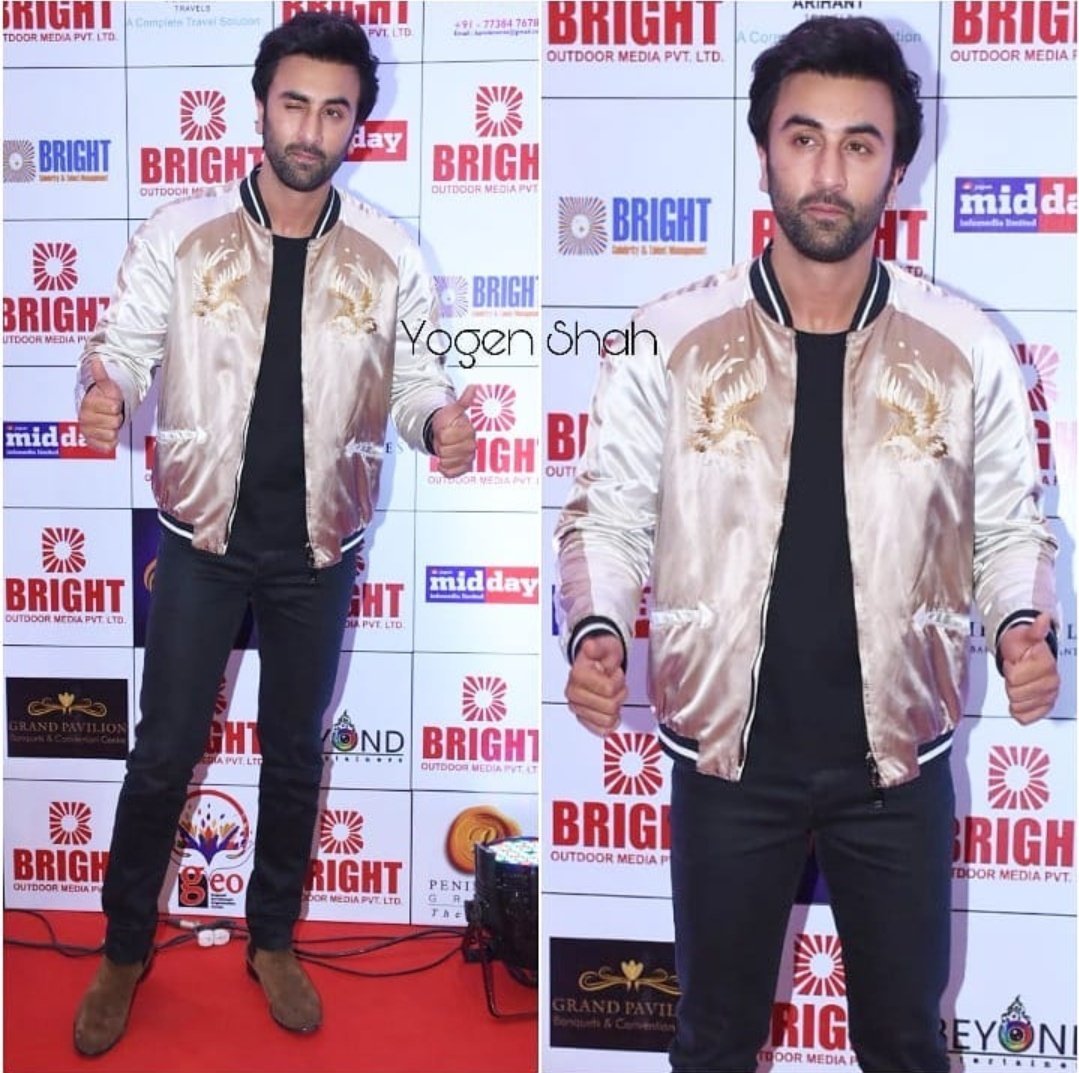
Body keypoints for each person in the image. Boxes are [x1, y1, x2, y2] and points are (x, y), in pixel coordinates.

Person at [556, 16, 1060, 1073]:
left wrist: (1021, 621)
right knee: (712, 1041)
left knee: (904, 1044)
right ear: (763, 154)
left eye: (858, 144)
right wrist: (597, 627)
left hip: (898, 767)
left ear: (896, 168)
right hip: (724, 762)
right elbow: (606, 514)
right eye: (802, 138)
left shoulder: (964, 347)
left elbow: (1010, 524)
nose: (827, 173)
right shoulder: (667, 337)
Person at [73, 11, 477, 1056]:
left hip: (317, 551)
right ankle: (123, 947)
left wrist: (437, 417)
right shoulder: (182, 231)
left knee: (294, 753)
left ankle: (271, 939)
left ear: (357, 124)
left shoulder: (390, 254)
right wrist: (104, 388)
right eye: (295, 103)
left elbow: (415, 377)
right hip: (199, 542)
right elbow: (123, 344)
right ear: (261, 107)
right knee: (163, 753)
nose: (310, 128)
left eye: (334, 110)